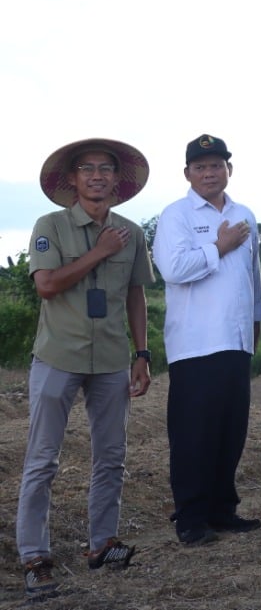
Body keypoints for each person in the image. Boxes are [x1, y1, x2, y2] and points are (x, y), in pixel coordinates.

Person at [18, 139, 154, 598]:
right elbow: (48, 286)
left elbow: (136, 294)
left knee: (112, 456)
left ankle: (102, 544)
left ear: (118, 180)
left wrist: (142, 354)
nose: (97, 176)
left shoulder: (132, 233)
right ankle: (34, 557)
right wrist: (98, 252)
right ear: (72, 180)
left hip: (114, 360)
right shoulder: (50, 226)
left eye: (106, 169)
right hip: (58, 356)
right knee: (42, 461)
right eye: (87, 169)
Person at [153, 134, 261, 546]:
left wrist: (256, 320)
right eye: (200, 167)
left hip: (236, 341)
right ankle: (191, 518)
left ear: (228, 170)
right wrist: (217, 246)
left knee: (230, 430)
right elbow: (174, 268)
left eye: (216, 165)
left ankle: (223, 509)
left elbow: (251, 276)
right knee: (194, 434)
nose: (209, 173)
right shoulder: (176, 215)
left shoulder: (245, 214)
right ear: (188, 173)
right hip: (195, 344)